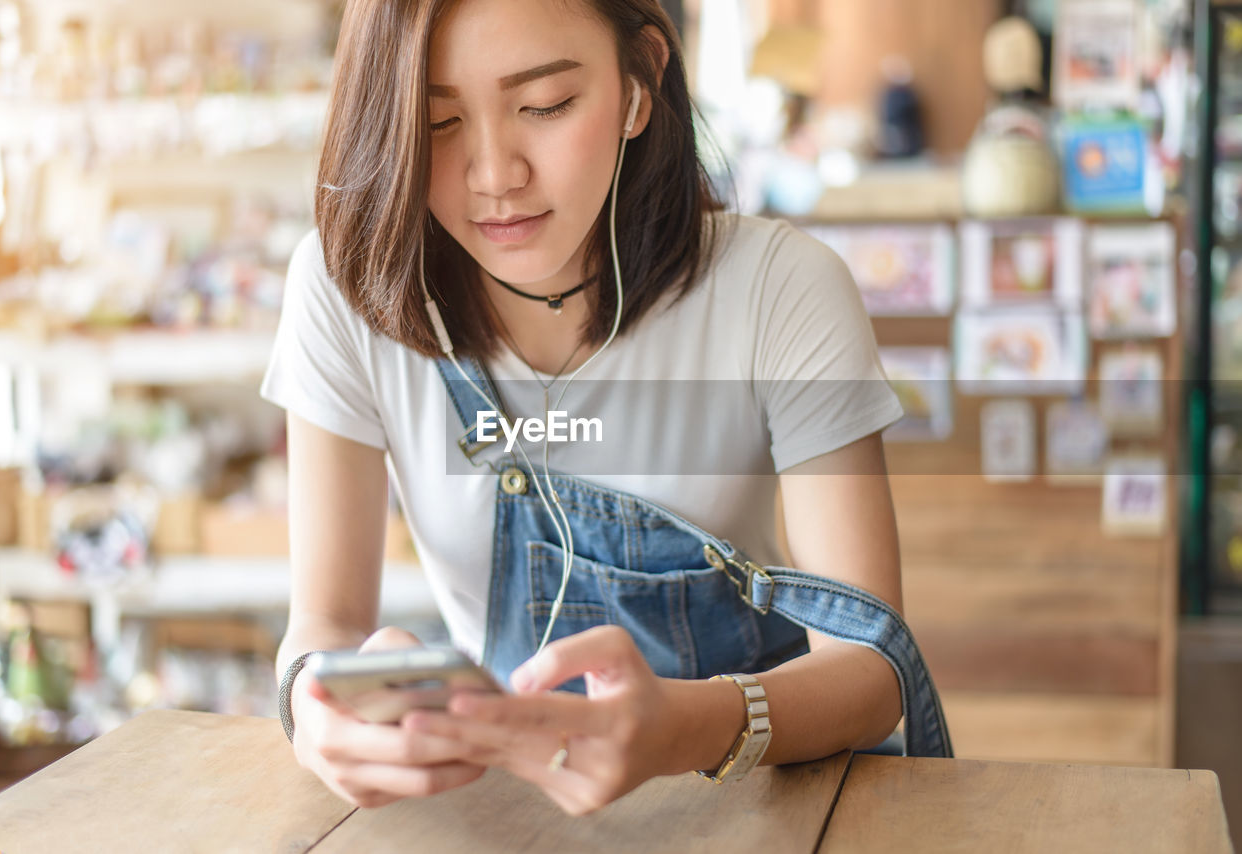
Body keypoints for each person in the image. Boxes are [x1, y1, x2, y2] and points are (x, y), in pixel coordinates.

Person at [262, 0, 949, 817]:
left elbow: (873, 672)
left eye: (545, 106)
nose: (494, 175)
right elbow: (325, 624)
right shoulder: (350, 289)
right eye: (437, 121)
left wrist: (686, 728)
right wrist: (314, 708)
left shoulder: (780, 288)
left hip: (767, 803)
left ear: (638, 83)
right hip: (508, 813)